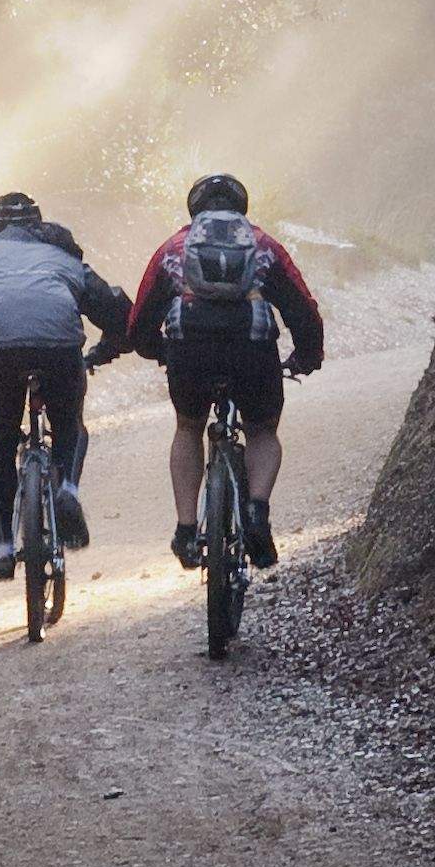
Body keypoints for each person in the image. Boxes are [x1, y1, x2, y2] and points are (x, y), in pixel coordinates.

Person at [109, 171, 323, 572]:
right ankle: (257, 512)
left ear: (194, 208)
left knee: (188, 426)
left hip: (190, 349)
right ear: (242, 206)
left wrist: (162, 353)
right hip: (252, 350)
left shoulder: (174, 247)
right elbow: (302, 308)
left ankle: (187, 529)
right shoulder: (264, 245)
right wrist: (307, 356)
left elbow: (139, 323)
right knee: (262, 430)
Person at [0, 191, 131, 580]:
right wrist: (102, 353)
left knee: (1, 436)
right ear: (39, 226)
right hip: (59, 348)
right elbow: (119, 313)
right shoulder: (64, 258)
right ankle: (68, 488)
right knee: (69, 423)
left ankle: (2, 544)